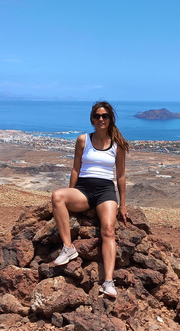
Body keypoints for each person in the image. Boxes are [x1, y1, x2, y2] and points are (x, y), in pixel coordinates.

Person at [51, 101, 129, 298]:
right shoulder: (83, 140)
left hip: (106, 192)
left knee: (108, 230)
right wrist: (72, 192)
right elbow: (76, 168)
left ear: (111, 119)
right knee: (57, 196)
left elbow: (120, 175)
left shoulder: (117, 144)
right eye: (97, 116)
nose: (100, 119)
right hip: (84, 189)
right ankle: (68, 248)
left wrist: (123, 204)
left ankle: (108, 282)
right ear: (92, 118)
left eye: (104, 116)